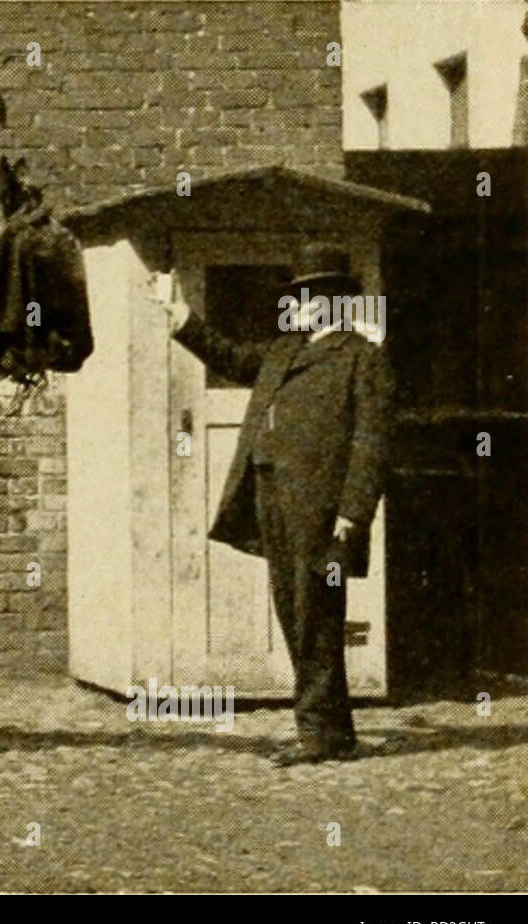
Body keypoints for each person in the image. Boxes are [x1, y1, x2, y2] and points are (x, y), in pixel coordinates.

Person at [163, 242, 393, 766]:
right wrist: (182, 319)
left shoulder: (362, 360)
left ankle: (322, 733)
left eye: (312, 297)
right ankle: (328, 731)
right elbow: (232, 358)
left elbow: (371, 444)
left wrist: (352, 513)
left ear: (338, 302)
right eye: (301, 297)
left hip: (324, 512)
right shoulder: (284, 351)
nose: (302, 306)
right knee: (294, 613)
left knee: (317, 615)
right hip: (271, 500)